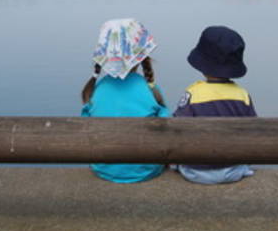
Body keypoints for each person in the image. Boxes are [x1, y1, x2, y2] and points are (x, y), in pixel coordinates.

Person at [81, 18, 169, 183]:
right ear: (141, 55)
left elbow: (86, 126)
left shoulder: (97, 89)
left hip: (103, 168)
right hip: (146, 169)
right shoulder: (149, 88)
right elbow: (165, 125)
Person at [173, 25, 257, 185]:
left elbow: (177, 128)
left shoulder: (193, 93)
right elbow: (253, 130)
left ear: (202, 64)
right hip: (234, 171)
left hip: (195, 171)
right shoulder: (242, 95)